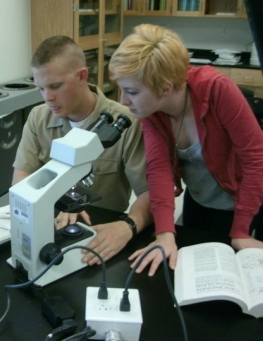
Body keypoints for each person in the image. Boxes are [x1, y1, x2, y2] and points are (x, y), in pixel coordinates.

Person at [108, 24, 263, 277]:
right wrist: (164, 234)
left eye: (132, 92)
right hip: (200, 198)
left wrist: (241, 231)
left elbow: (257, 160)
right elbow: (159, 169)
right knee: (191, 269)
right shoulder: (150, 110)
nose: (123, 101)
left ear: (165, 87)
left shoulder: (217, 90)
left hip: (247, 199)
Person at [12, 35, 152, 265]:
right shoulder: (38, 118)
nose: (48, 97)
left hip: (101, 234)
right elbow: (21, 180)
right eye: (41, 88)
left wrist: (128, 226)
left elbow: (149, 193)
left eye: (55, 86)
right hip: (52, 226)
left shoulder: (125, 122)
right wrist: (55, 206)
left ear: (82, 76)